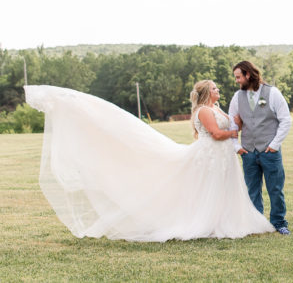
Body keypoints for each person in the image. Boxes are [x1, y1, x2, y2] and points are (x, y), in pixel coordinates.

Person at [24, 80, 275, 242]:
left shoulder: (218, 108)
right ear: (206, 93)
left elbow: (231, 123)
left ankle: (227, 218)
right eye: (215, 89)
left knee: (222, 189)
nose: (218, 91)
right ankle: (208, 222)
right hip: (209, 156)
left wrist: (240, 123)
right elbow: (218, 134)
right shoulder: (205, 111)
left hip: (221, 158)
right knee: (207, 190)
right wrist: (233, 133)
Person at [229, 61, 292, 235]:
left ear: (248, 75)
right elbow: (231, 123)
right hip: (248, 151)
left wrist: (274, 145)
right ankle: (256, 224)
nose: (237, 81)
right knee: (252, 190)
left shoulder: (272, 93)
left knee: (275, 189)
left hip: (269, 151)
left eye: (238, 77)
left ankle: (279, 222)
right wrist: (236, 146)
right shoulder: (237, 97)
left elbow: (285, 120)